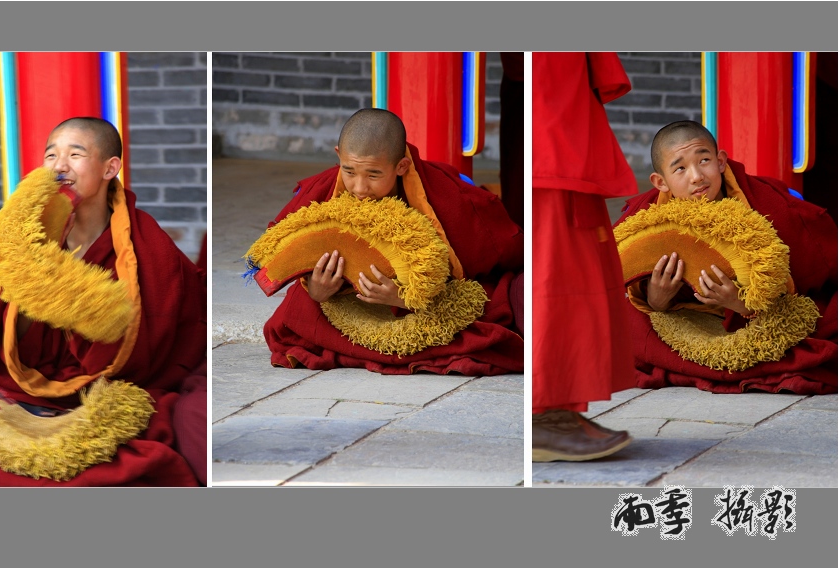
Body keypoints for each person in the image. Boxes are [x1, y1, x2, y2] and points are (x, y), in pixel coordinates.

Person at [0, 117, 207, 486]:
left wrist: (78, 304)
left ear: (110, 168)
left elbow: (151, 350)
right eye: (51, 155)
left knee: (152, 441)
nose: (59, 165)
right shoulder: (23, 240)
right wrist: (35, 289)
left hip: (106, 389)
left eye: (75, 154)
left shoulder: (147, 246)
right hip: (27, 387)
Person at [261, 108, 523, 376]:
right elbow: (282, 244)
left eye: (373, 175)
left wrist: (405, 298)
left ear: (401, 166)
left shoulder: (445, 194)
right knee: (295, 309)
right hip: (347, 300)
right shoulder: (324, 188)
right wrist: (316, 288)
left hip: (421, 304)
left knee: (503, 298)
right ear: (339, 155)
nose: (360, 188)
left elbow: (498, 256)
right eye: (349, 171)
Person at [616, 120, 838, 395]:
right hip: (685, 317)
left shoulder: (767, 204)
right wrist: (654, 300)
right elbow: (618, 279)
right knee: (623, 328)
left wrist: (741, 303)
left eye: (704, 160)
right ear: (660, 182)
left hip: (753, 318)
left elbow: (810, 279)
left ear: (721, 161)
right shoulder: (645, 215)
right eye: (680, 168)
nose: (697, 176)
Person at [531, 53, 638, 462]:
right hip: (548, 119)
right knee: (556, 269)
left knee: (574, 265)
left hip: (561, 110)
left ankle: (558, 409)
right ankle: (543, 414)